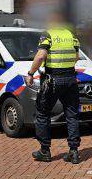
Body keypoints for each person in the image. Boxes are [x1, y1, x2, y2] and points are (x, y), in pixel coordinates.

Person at [24, 15, 81, 164]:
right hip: (70, 79)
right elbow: (76, 56)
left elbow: (41, 56)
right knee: (72, 115)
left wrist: (30, 73)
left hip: (53, 79)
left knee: (43, 112)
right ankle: (74, 151)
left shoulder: (48, 34)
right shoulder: (71, 35)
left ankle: (45, 151)